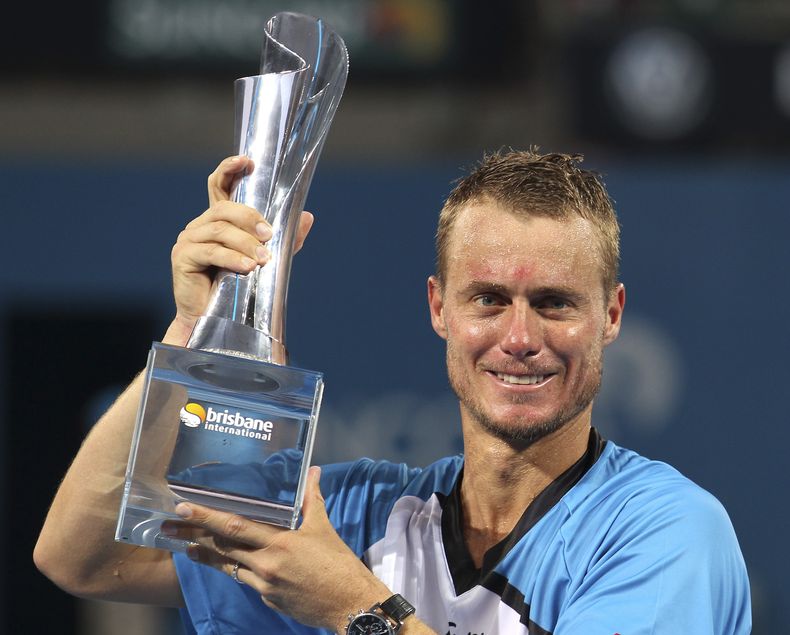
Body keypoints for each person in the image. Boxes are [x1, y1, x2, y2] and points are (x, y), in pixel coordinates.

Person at [35, 150, 751, 634]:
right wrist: (198, 324)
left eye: (556, 302)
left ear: (612, 316)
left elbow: (346, 594)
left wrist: (353, 604)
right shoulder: (357, 517)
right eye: (489, 299)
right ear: (439, 307)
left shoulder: (669, 532)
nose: (521, 335)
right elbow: (82, 556)